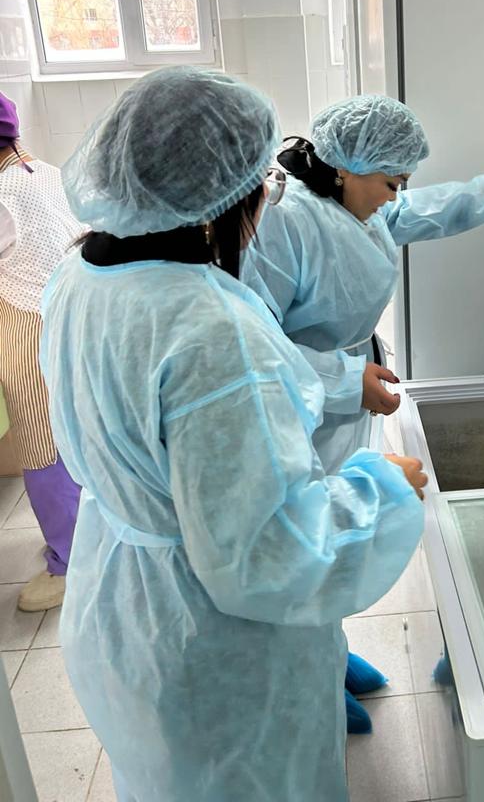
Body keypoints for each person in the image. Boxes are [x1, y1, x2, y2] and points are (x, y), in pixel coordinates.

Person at [39, 68, 427, 802]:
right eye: (264, 185)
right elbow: (266, 555)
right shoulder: (212, 331)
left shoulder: (79, 276)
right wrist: (382, 488)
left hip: (118, 602)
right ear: (223, 198)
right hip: (215, 649)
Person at [242, 94, 484, 729]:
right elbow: (255, 351)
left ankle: (329, 651)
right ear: (346, 166)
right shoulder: (285, 226)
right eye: (390, 182)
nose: (397, 196)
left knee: (330, 545)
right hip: (298, 402)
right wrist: (344, 382)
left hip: (339, 394)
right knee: (307, 545)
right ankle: (306, 680)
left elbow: (416, 212)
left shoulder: (353, 202)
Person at [0, 92, 83, 612]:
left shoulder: (0, 192)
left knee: (41, 446)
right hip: (72, 317)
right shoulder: (48, 172)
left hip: (31, 326)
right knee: (72, 438)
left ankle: (69, 563)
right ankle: (82, 537)